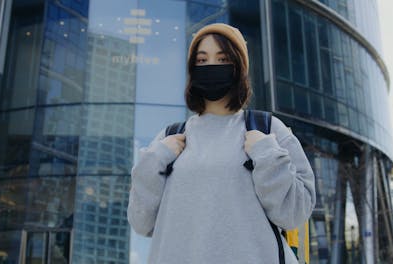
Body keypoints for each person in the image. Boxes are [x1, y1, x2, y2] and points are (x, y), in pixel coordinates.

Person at [127, 23, 316, 264]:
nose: (211, 67)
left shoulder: (269, 130)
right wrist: (154, 160)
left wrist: (266, 154)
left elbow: (294, 214)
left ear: (239, 67)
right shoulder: (169, 139)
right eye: (202, 61)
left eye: (222, 58)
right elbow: (140, 222)